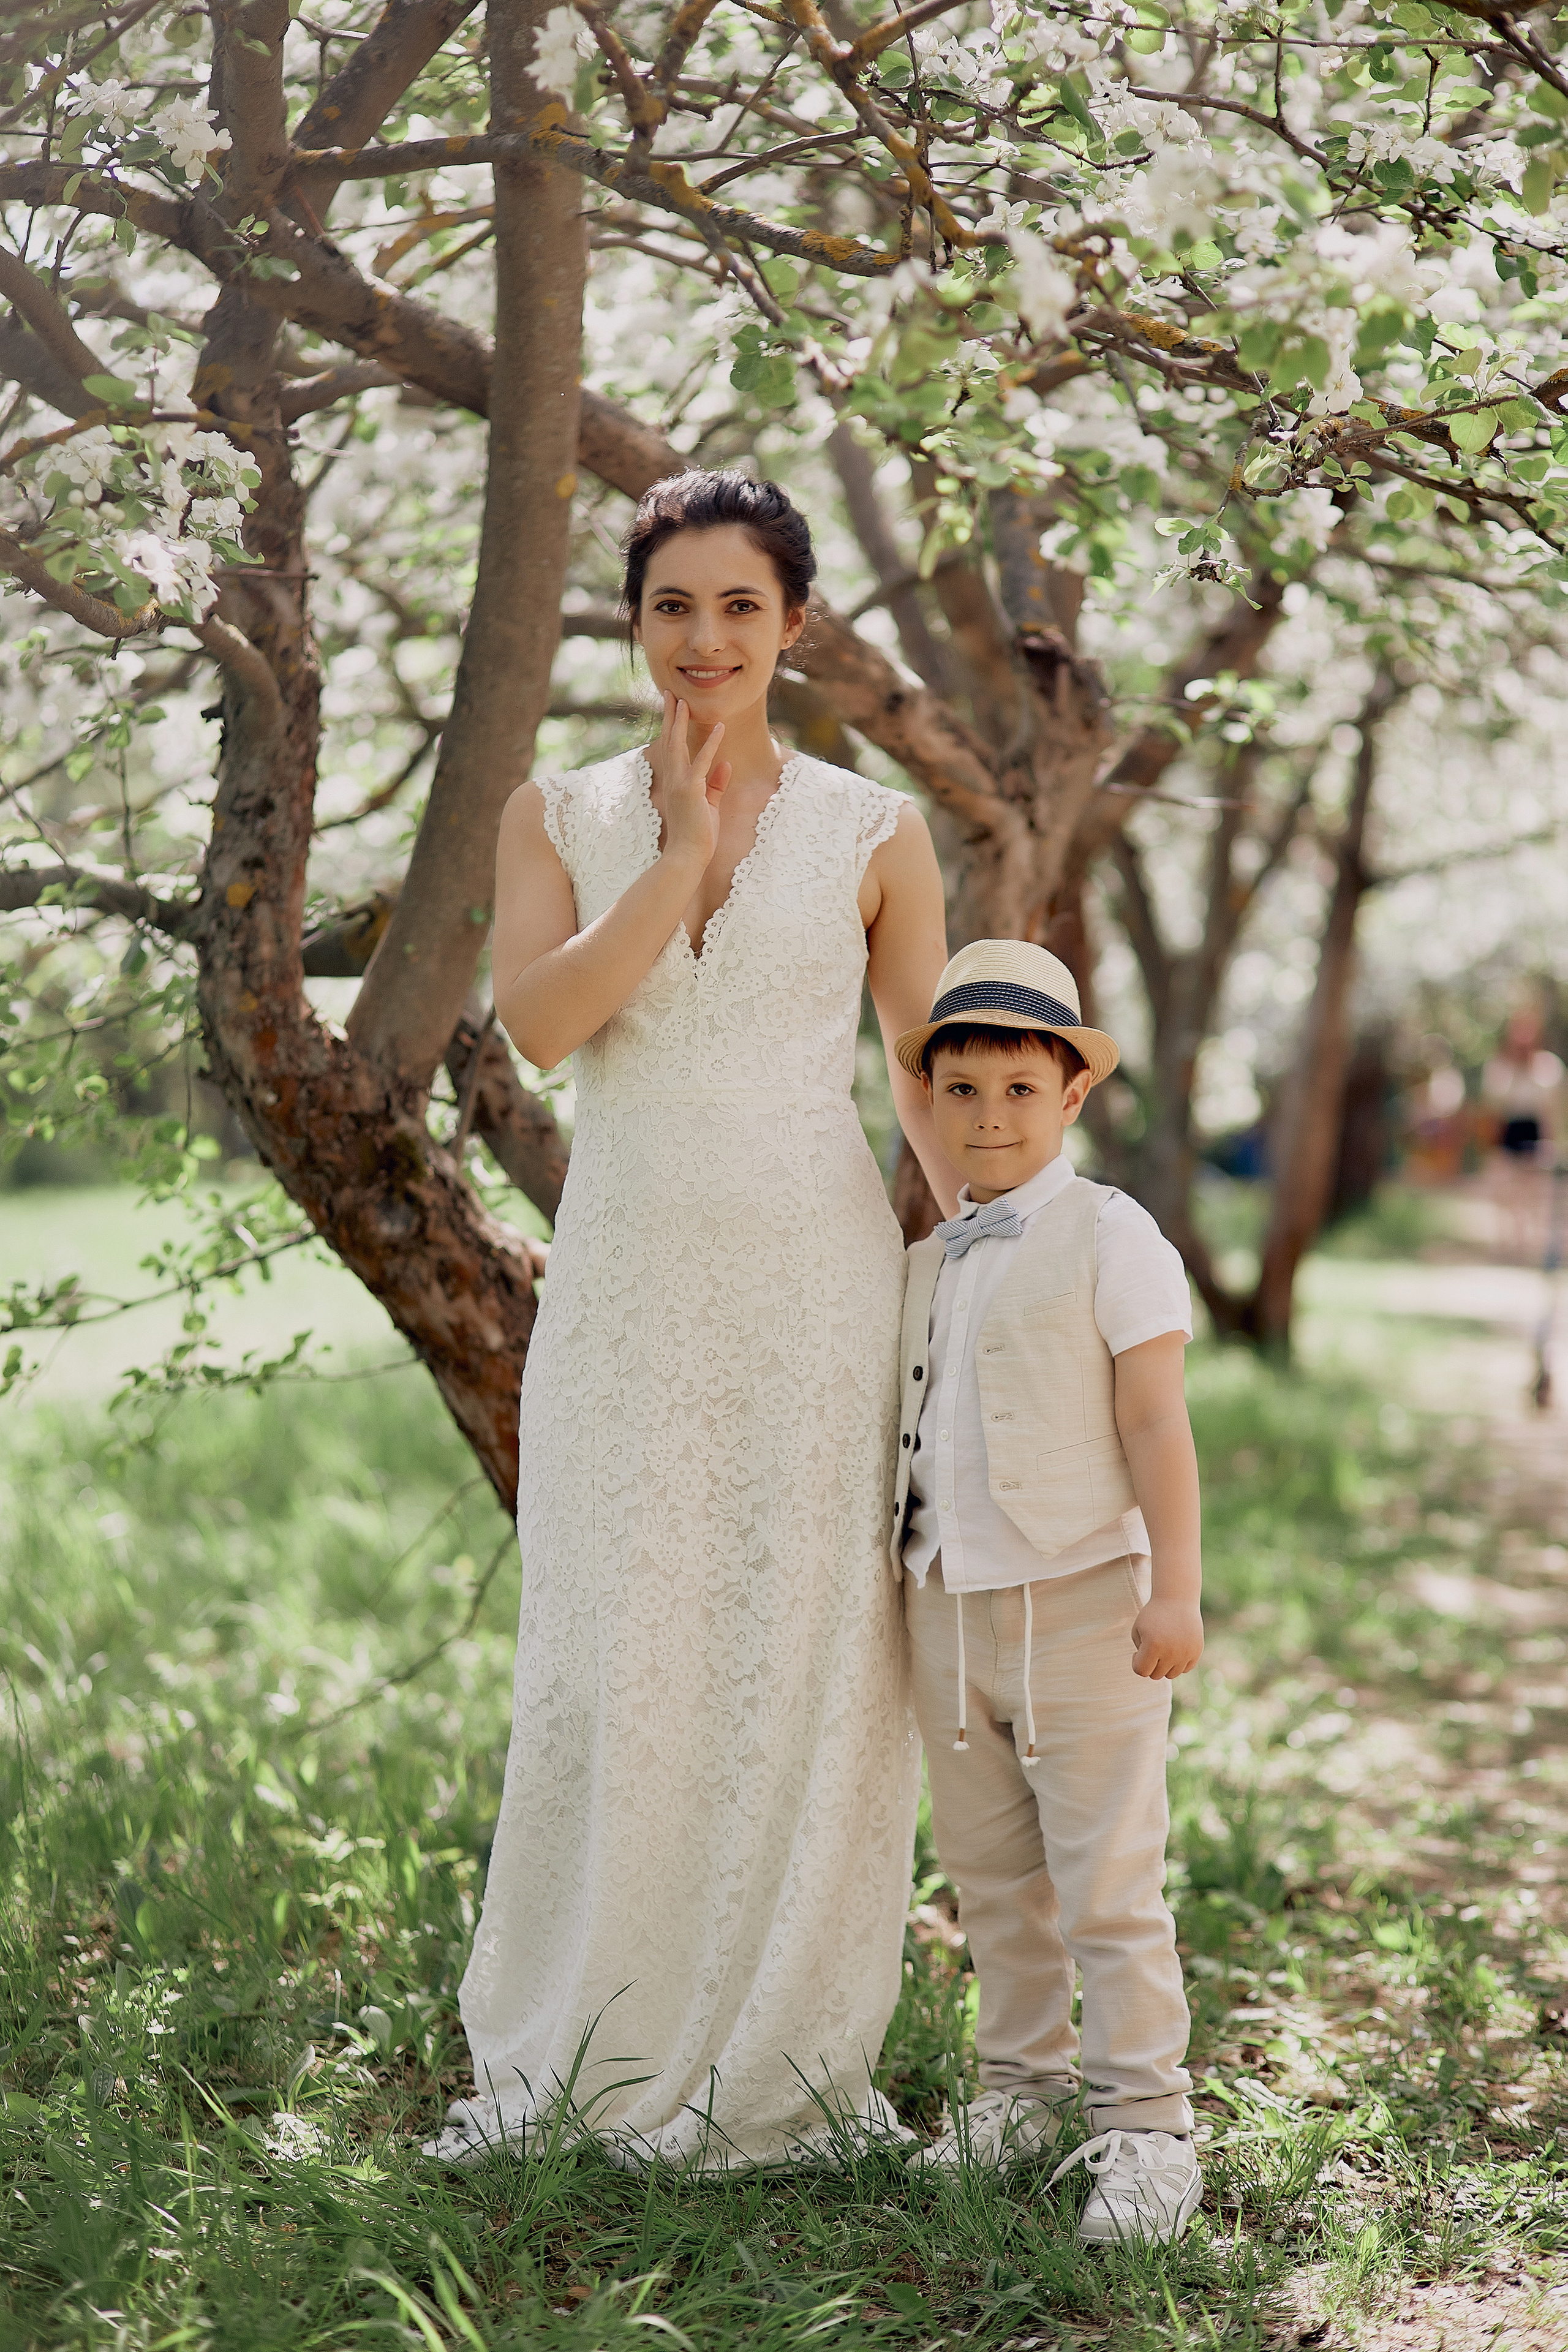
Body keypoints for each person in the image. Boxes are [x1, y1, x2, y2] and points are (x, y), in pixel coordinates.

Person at [426, 471, 953, 2169]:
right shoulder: (551, 812)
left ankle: (782, 2053)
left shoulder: (881, 832)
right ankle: (597, 2033)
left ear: (795, 623)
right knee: (612, 1654)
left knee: (803, 1655)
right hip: (630, 1283)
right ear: (635, 623)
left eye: (741, 606)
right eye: (674, 606)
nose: (706, 638)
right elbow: (544, 1027)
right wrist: (680, 857)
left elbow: (933, 1085)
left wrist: (1037, 1255)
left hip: (817, 1287)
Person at [888, 939, 1205, 2244]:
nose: (989, 1118)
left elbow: (1151, 1419)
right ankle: (1015, 2091)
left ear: (1071, 1097)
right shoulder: (935, 1250)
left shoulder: (1110, 1234)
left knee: (1105, 1882)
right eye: (959, 1093)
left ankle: (1142, 2128)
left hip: (1081, 1600)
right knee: (988, 1879)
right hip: (947, 1603)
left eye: (1019, 1091)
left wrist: (1172, 1588)